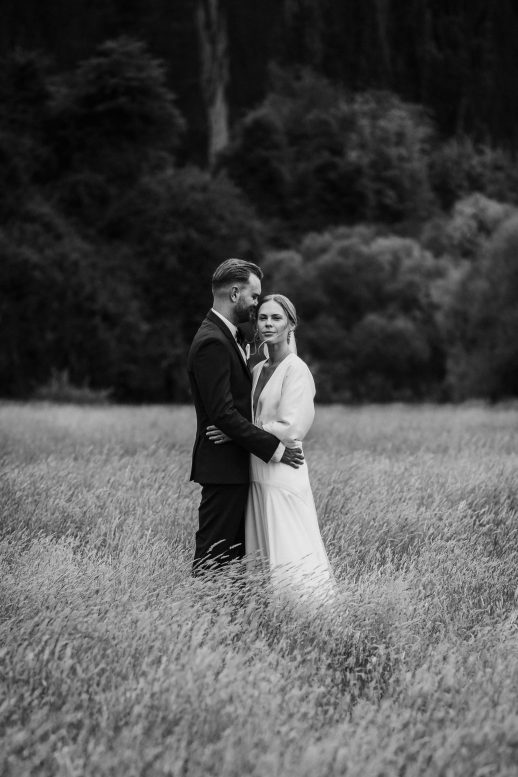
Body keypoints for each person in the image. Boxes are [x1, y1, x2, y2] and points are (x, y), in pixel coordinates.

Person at [207, 294, 334, 601]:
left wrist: (238, 434)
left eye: (276, 318)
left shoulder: (296, 370)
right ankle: (268, 619)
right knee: (261, 552)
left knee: (289, 549)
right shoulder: (257, 367)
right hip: (257, 469)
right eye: (263, 318)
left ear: (291, 323)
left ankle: (306, 617)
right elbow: (247, 413)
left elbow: (292, 428)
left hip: (283, 470)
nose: (267, 324)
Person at [187, 260, 304, 574]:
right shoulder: (213, 340)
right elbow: (223, 413)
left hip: (237, 466)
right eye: (254, 297)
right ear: (235, 293)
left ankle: (227, 617)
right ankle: (200, 617)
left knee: (233, 558)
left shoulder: (230, 336)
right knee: (213, 556)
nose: (256, 305)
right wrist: (275, 448)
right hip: (223, 466)